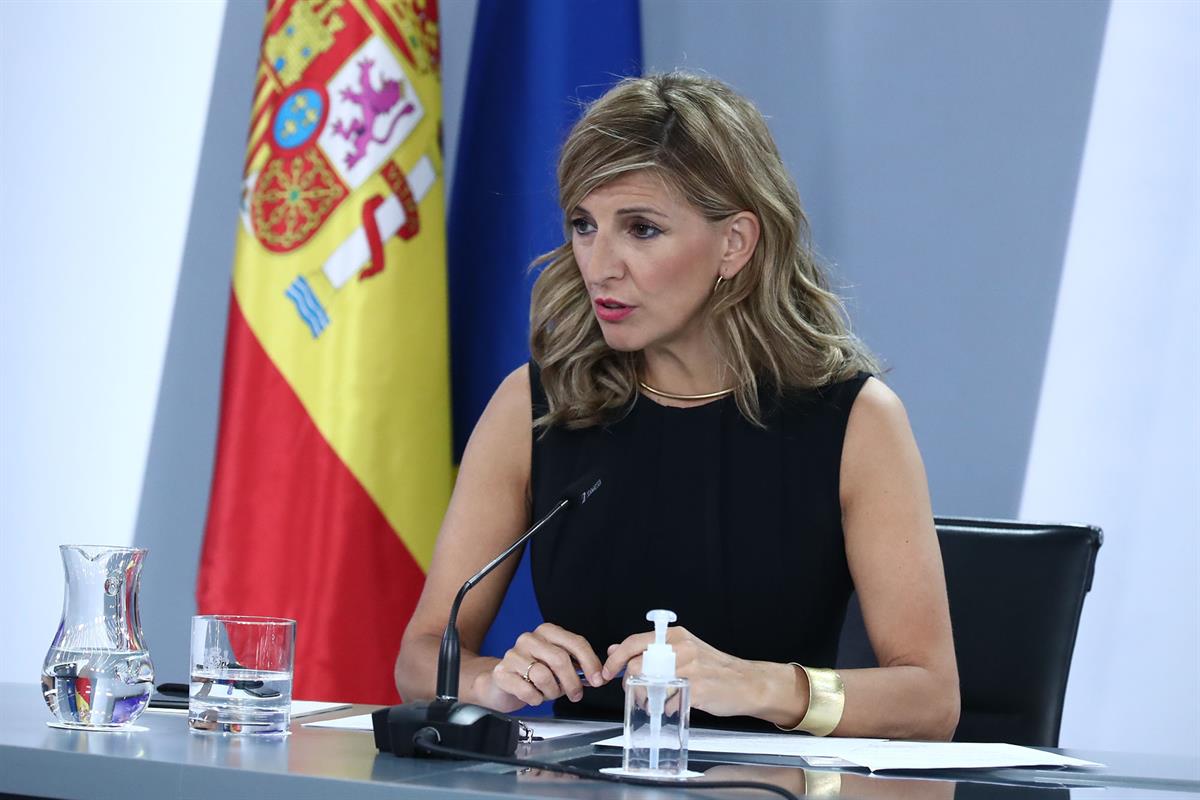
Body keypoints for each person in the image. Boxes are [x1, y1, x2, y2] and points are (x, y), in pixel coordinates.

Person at [396, 72, 960, 740]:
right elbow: (422, 655)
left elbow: (930, 699)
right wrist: (487, 680)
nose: (600, 265)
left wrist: (763, 685)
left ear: (735, 244)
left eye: (641, 229)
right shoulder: (536, 405)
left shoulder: (856, 421)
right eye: (584, 224)